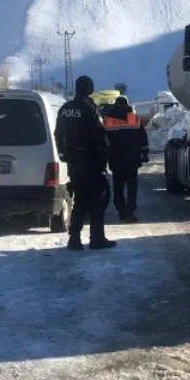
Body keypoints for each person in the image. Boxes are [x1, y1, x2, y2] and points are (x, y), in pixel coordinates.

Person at [54, 75, 116, 250]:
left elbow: (58, 133)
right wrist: (106, 151)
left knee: (80, 199)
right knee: (98, 199)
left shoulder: (65, 108)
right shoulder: (89, 109)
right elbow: (100, 135)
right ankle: (97, 239)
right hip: (92, 160)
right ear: (89, 89)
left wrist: (63, 153)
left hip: (74, 161)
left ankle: (74, 239)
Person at [103, 96, 150, 222]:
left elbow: (102, 140)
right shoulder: (134, 119)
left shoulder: (108, 120)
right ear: (127, 105)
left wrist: (104, 156)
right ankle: (130, 211)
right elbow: (143, 138)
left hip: (115, 159)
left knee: (118, 187)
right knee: (131, 186)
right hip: (132, 159)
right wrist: (144, 154)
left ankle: (121, 211)